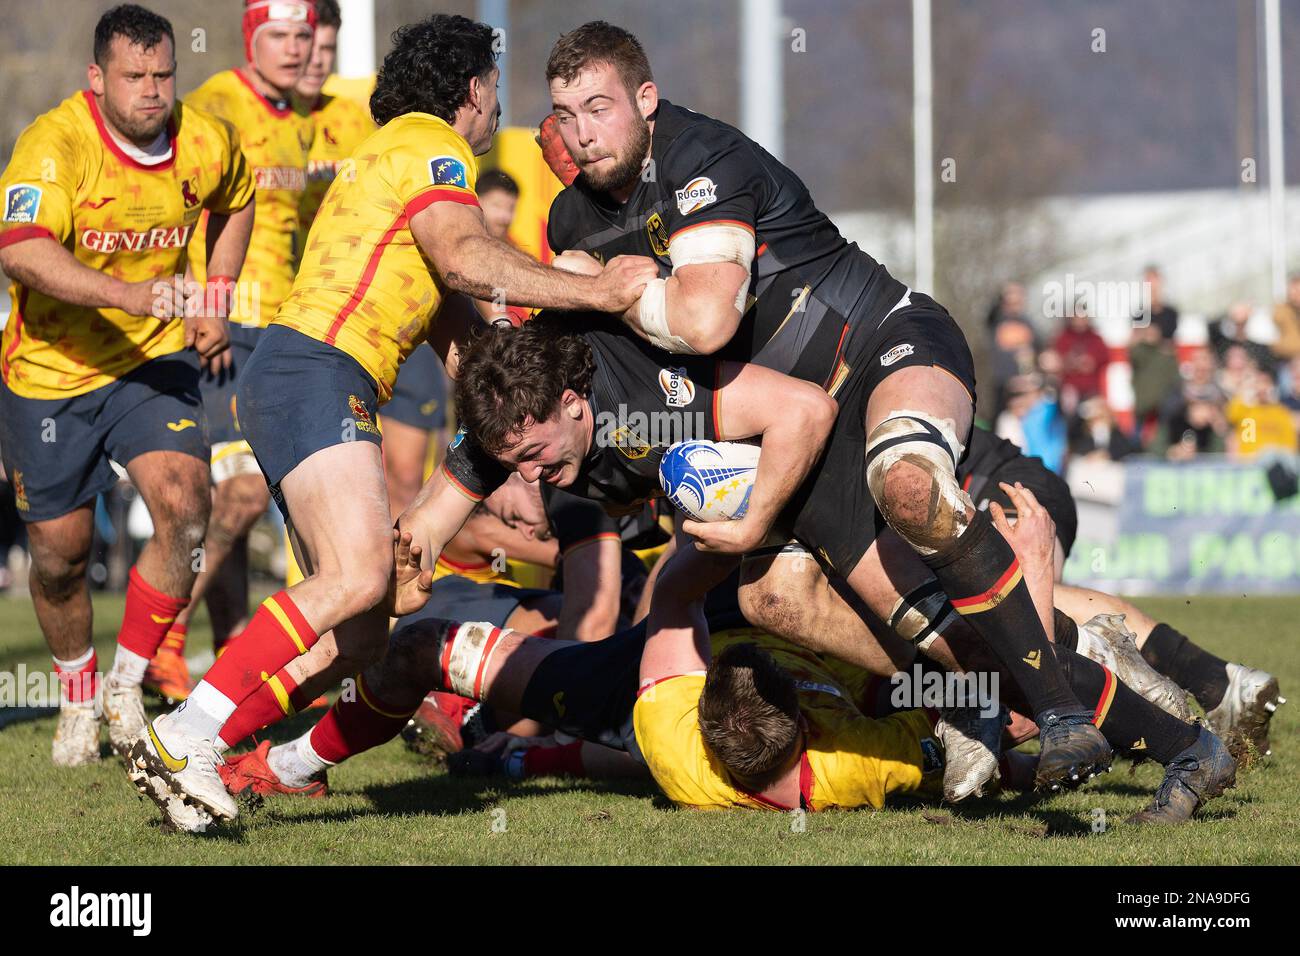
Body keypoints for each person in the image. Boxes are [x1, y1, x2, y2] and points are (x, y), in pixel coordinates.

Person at [531, 21, 1113, 788]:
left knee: (908, 484)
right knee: (776, 598)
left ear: (646, 98)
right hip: (790, 420)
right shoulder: (572, 221)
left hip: (879, 347)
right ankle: (1001, 699)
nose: (581, 134)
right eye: (565, 115)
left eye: (599, 108)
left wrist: (616, 286)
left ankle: (1095, 702)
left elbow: (706, 321)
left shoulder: (701, 155)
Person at [125, 13, 659, 834]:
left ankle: (222, 752)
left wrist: (509, 427)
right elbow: (462, 258)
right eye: (496, 91)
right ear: (474, 90)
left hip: (302, 376)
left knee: (361, 636)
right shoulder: (429, 144)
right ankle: (185, 732)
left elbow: (459, 337)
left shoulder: (397, 157)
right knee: (360, 575)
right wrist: (596, 292)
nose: (498, 110)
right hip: (318, 370)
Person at [0, 4, 254, 765]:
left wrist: (215, 291)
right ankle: (76, 695)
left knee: (185, 507)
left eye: (163, 74)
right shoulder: (55, 143)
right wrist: (129, 294)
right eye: (133, 76)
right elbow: (20, 251)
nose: (151, 90)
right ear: (96, 78)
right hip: (50, 374)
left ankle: (125, 686)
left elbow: (236, 200)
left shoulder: (205, 138)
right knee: (59, 556)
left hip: (150, 364)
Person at [148, 0, 317, 699]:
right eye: (276, 35)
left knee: (241, 503)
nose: (293, 48)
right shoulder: (214, 101)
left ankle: (223, 658)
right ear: (252, 38)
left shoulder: (306, 118)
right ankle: (164, 640)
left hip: (281, 330)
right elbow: (182, 204)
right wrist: (204, 305)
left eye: (302, 35)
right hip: (223, 331)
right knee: (244, 495)